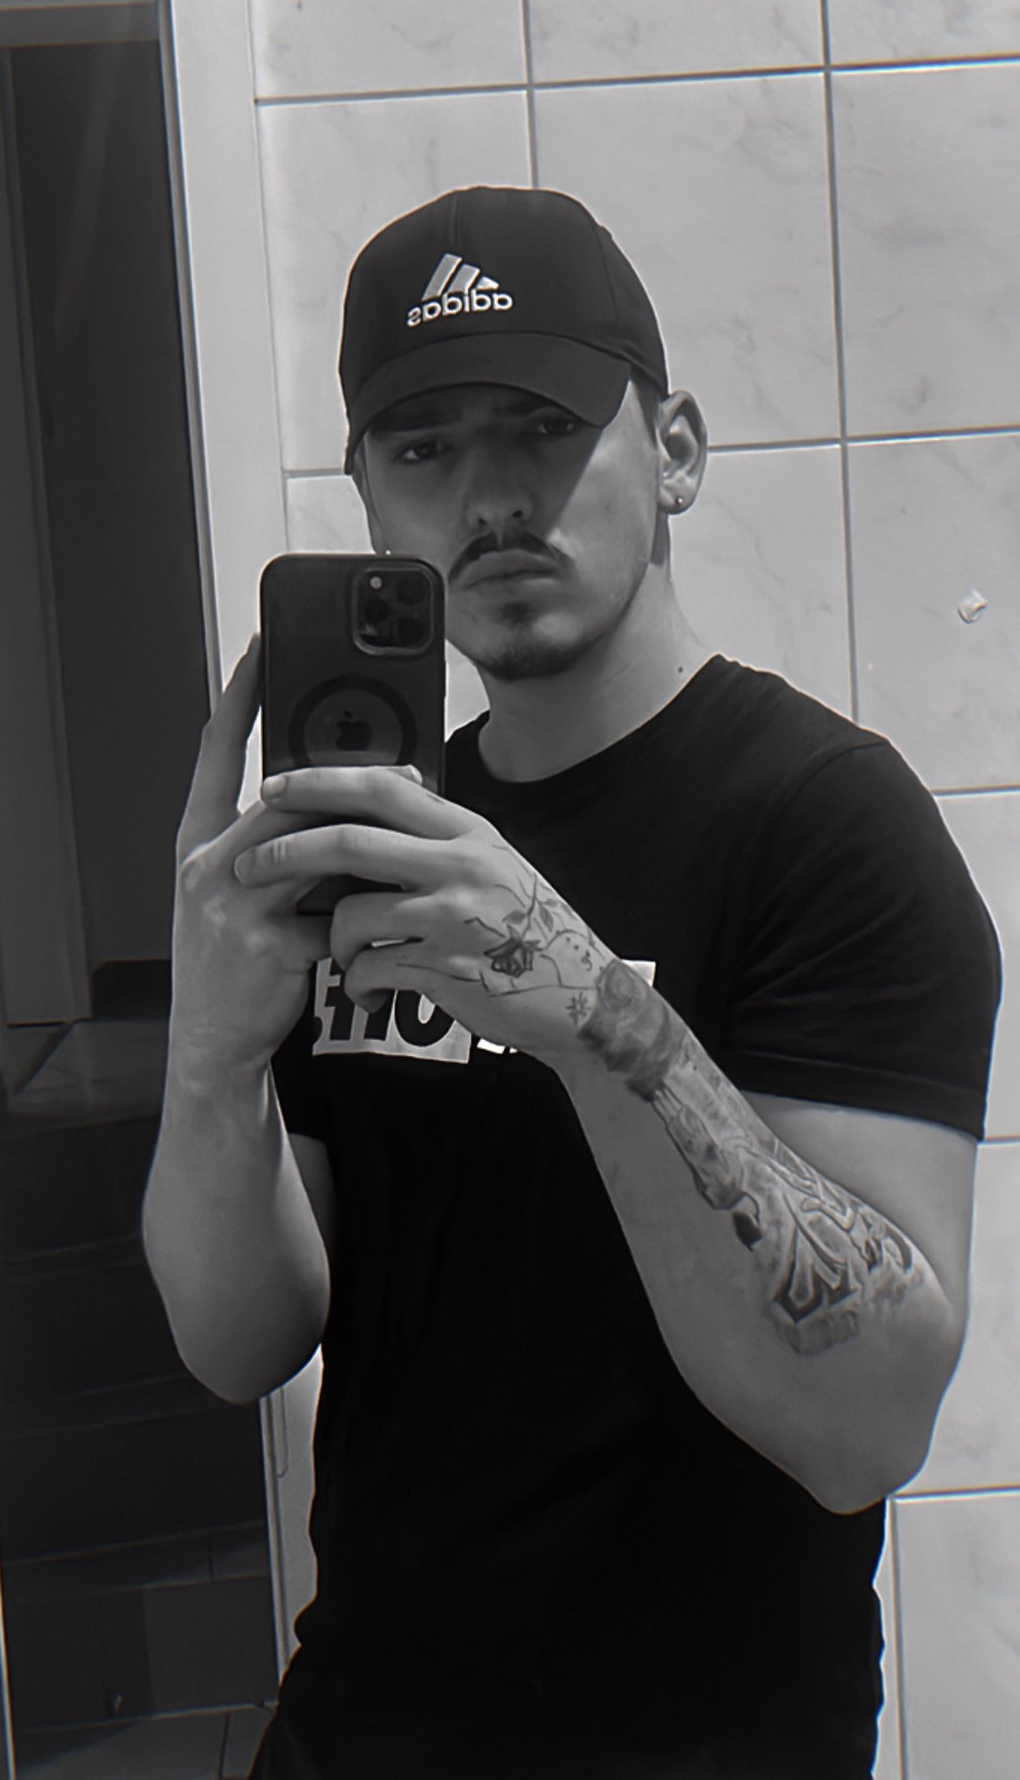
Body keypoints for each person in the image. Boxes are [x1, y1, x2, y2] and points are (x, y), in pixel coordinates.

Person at [143, 187, 1001, 1779]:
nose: (488, 496)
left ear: (673, 452)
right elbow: (238, 1341)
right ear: (371, 505)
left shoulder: (826, 825)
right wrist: (208, 1058)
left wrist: (592, 1012)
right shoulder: (377, 847)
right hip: (353, 1737)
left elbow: (865, 1424)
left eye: (541, 427)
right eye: (424, 450)